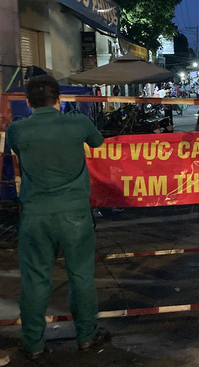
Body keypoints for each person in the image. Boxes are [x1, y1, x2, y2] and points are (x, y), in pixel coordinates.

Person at [6, 76, 109, 360]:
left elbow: (16, 150)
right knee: (81, 277)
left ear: (27, 103)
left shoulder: (18, 130)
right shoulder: (77, 123)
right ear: (59, 99)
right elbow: (98, 142)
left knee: (35, 280)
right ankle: (87, 337)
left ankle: (33, 344)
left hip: (36, 215)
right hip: (75, 214)